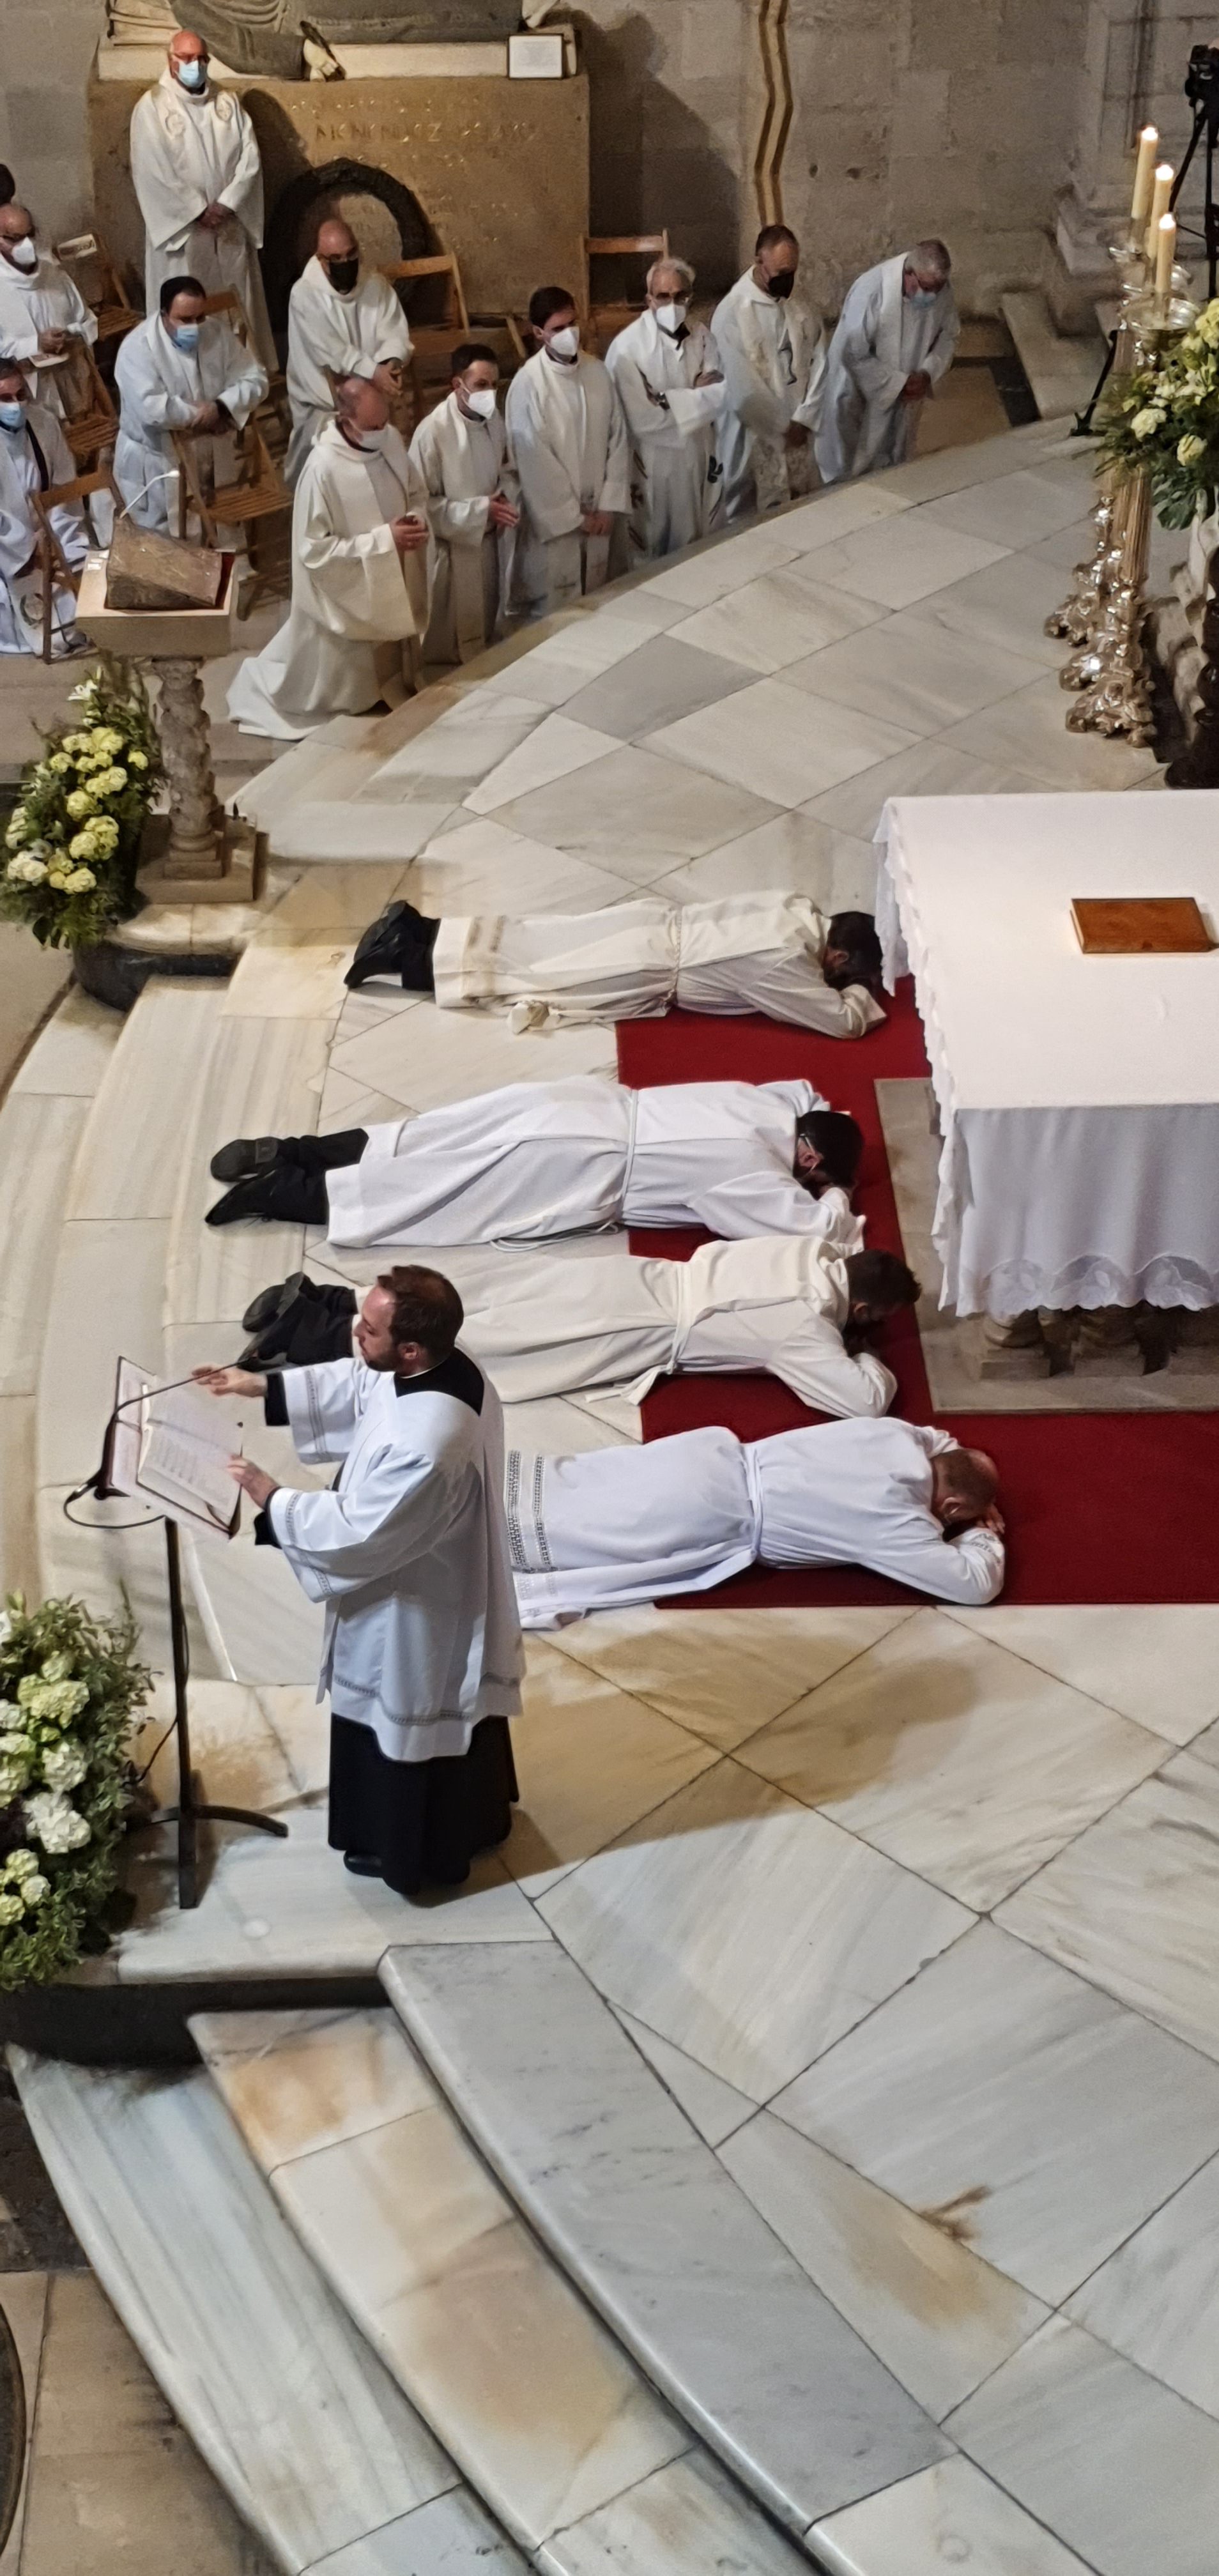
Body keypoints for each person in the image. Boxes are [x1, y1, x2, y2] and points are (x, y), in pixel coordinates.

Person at [194, 1267, 523, 1897]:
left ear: (411, 1348)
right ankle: (469, 1823)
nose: (354, 1333)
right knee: (447, 1722)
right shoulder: (443, 1364)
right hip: (430, 1568)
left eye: (369, 1328)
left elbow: (359, 1532)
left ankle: (414, 1855)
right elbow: (363, 1384)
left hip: (417, 1601)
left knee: (408, 1713)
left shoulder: (428, 1442)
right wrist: (260, 1388)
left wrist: (272, 1498)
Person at [233, 1239, 921, 1420]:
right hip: (642, 1326)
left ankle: (332, 1298)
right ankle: (312, 1333)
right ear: (862, 1311)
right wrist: (861, 1351)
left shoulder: (809, 1251)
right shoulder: (807, 1327)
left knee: (490, 1295)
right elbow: (865, 1401)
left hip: (638, 1278)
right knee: (490, 1345)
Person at [202, 1075, 864, 1245]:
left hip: (579, 1105)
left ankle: (291, 1150)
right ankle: (281, 1194)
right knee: (433, 1192)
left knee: (426, 1138)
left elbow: (810, 1096)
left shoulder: (758, 1102)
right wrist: (838, 1195)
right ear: (807, 1158)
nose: (807, 1184)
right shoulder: (754, 1172)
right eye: (813, 1173)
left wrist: (829, 1139)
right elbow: (820, 1230)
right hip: (580, 1162)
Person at [505, 1417, 1005, 1625]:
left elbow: (942, 1442)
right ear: (951, 1508)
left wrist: (966, 1484)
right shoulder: (897, 1523)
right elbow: (973, 1586)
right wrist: (979, 1536)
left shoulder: (899, 1434)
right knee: (583, 1537)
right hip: (711, 1514)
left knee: (583, 1486)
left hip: (708, 1457)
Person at [345, 891, 886, 1038]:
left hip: (653, 923)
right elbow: (842, 1024)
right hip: (649, 965)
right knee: (529, 976)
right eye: (844, 972)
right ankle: (401, 957)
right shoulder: (786, 960)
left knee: (531, 939)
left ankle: (418, 927)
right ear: (837, 955)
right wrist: (863, 993)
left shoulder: (796, 906)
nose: (837, 978)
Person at [226, 368, 434, 740]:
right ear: (346, 419)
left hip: (393, 573)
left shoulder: (389, 440)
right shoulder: (323, 469)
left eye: (383, 422)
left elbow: (416, 492)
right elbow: (315, 552)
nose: (381, 432)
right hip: (348, 602)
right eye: (372, 426)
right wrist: (385, 541)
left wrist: (416, 519)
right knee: (345, 693)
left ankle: (387, 682)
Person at [130, 28, 275, 367]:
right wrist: (197, 210)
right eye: (186, 58)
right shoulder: (152, 107)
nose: (194, 65)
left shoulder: (228, 103)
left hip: (228, 225)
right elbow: (153, 170)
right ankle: (185, 379)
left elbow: (250, 159)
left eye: (201, 58)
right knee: (187, 308)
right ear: (171, 60)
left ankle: (241, 374)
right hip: (185, 234)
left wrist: (228, 203)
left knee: (235, 307)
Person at [505, 284, 628, 617]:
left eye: (572, 323)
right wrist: (575, 517)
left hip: (601, 515)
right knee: (558, 614)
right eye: (558, 329)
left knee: (602, 604)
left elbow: (618, 439)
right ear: (538, 333)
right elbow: (534, 461)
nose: (569, 334)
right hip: (560, 525)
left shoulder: (598, 372)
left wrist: (608, 505)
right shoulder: (528, 385)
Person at [114, 273, 267, 533]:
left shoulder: (216, 333)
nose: (194, 327)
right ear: (164, 314)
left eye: (200, 317)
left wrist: (221, 407)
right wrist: (202, 415)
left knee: (218, 531)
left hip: (208, 451)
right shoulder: (136, 349)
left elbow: (256, 380)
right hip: (157, 460)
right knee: (162, 541)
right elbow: (153, 408)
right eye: (185, 320)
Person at [604, 256, 725, 560]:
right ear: (649, 300)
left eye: (680, 296)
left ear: (690, 296)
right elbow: (642, 419)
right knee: (651, 550)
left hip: (698, 453)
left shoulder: (702, 336)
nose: (672, 304)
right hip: (653, 463)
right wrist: (696, 395)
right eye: (663, 296)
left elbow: (722, 393)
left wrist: (665, 399)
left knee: (700, 548)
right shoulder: (627, 348)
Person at [408, 342, 519, 666]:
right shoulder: (432, 433)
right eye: (481, 384)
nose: (490, 393)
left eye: (494, 385)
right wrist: (481, 511)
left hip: (487, 543)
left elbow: (506, 471)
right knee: (450, 652)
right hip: (452, 553)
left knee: (484, 634)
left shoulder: (494, 421)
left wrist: (503, 497)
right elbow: (420, 506)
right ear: (458, 385)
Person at [816, 241, 959, 486]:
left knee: (895, 460)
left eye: (938, 289)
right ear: (909, 274)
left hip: (906, 392)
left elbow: (949, 334)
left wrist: (927, 373)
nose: (933, 296)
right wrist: (898, 384)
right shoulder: (871, 291)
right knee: (850, 468)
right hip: (859, 392)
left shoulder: (940, 290)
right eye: (927, 288)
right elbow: (854, 354)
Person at [285, 218, 411, 486]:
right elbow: (332, 351)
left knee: (382, 473)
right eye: (336, 258)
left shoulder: (375, 284)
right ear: (321, 260)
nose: (346, 263)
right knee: (326, 480)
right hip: (324, 405)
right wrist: (374, 372)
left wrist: (390, 362)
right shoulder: (305, 294)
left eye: (351, 254)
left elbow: (394, 331)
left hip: (371, 396)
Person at [712, 225, 827, 520]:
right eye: (781, 273)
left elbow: (820, 359)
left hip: (799, 430)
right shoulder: (733, 312)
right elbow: (743, 388)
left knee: (804, 512)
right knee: (755, 520)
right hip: (756, 435)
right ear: (759, 262)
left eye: (793, 272)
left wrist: (805, 417)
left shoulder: (800, 305)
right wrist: (782, 428)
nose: (787, 281)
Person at [0, 359, 88, 656]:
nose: (16, 405)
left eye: (20, 395)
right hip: (8, 551)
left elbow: (64, 488)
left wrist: (54, 537)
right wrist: (27, 549)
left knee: (84, 582)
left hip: (49, 533)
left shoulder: (44, 423)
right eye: (5, 398)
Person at [0, 206, 98, 425]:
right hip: (25, 396)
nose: (26, 244)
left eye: (29, 235)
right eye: (15, 238)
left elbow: (88, 321)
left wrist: (71, 334)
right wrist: (36, 344)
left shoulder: (55, 276)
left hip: (72, 382)